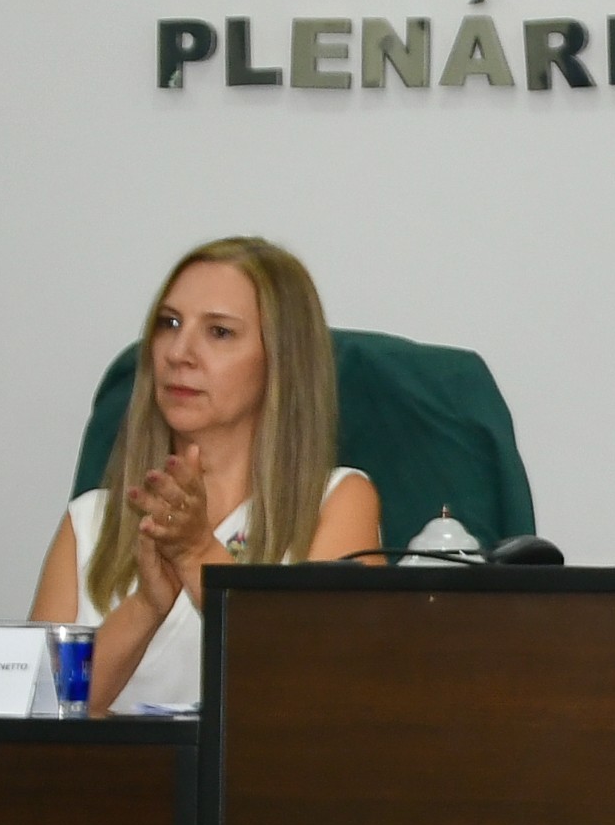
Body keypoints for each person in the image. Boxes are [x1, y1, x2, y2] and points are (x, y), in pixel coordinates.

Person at [31, 237, 380, 713]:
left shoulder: (337, 502)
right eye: (169, 324)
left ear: (281, 361)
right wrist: (147, 606)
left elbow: (317, 699)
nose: (179, 352)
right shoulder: (88, 521)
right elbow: (39, 716)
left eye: (219, 332)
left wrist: (197, 556)